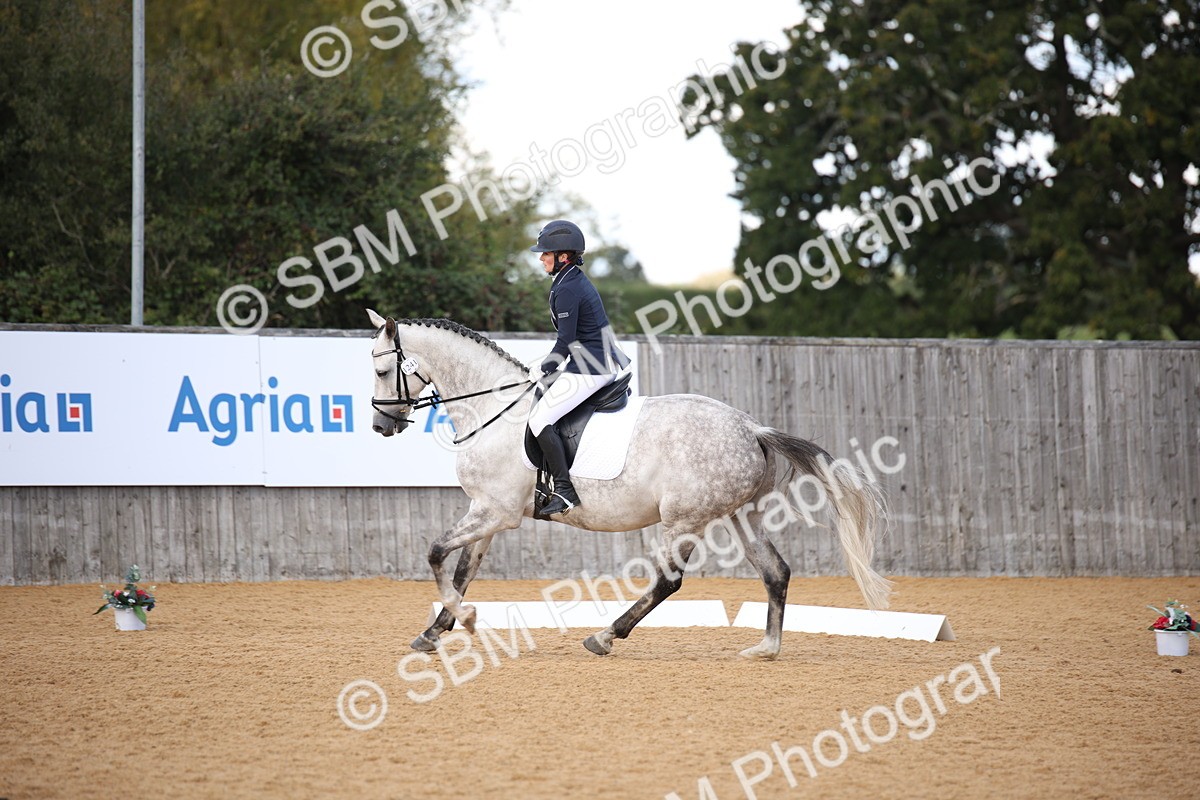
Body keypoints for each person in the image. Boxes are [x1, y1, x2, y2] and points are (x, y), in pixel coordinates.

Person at [527, 219, 630, 515]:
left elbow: (565, 342)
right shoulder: (567, 280)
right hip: (588, 362)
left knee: (538, 420)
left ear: (564, 256)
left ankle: (565, 490)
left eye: (546, 253)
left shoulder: (568, 289)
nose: (541, 258)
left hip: (592, 367)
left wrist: (544, 367)